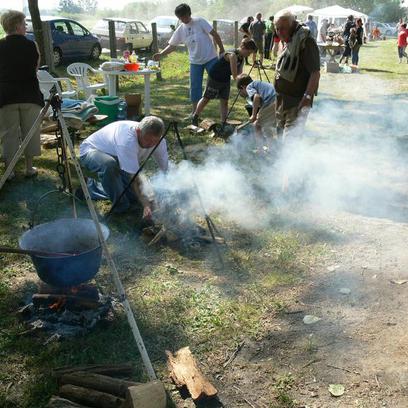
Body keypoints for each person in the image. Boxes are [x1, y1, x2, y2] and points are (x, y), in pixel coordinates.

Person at [79, 117, 168, 218]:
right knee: (109, 165)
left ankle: (99, 188)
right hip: (92, 150)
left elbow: (165, 169)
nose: (150, 144)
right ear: (138, 131)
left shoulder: (160, 141)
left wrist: (165, 193)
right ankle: (120, 207)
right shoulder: (127, 141)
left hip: (118, 155)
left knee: (134, 196)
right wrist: (146, 204)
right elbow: (135, 178)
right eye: (147, 140)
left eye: (154, 141)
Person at [153, 4, 224, 117]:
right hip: (195, 62)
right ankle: (195, 112)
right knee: (195, 86)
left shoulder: (200, 21)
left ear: (189, 14)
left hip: (210, 58)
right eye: (180, 18)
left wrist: (222, 49)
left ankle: (223, 111)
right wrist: (161, 54)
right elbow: (172, 46)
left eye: (184, 16)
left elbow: (214, 34)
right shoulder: (181, 29)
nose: (183, 19)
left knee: (219, 81)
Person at [0, 10, 44, 180]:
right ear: (17, 26)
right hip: (29, 94)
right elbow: (35, 68)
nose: (26, 27)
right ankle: (29, 168)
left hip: (6, 96)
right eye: (24, 24)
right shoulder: (32, 45)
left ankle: (10, 171)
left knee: (8, 133)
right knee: (30, 132)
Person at [274, 10, 320, 142]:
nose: (279, 32)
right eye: (277, 28)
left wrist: (307, 97)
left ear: (292, 24)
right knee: (280, 137)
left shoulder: (305, 41)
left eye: (283, 28)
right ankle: (280, 162)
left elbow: (315, 73)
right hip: (281, 100)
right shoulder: (289, 39)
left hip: (297, 101)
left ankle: (290, 163)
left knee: (290, 142)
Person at [192, 39, 257, 125]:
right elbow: (235, 76)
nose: (248, 55)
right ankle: (195, 116)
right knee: (207, 98)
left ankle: (223, 121)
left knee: (224, 101)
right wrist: (244, 87)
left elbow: (240, 74)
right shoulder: (232, 55)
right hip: (215, 77)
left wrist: (246, 83)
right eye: (248, 53)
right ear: (243, 48)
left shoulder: (242, 59)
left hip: (225, 79)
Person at [237, 74, 277, 147]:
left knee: (257, 125)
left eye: (240, 91)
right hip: (279, 99)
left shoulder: (249, 87)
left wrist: (254, 115)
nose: (242, 94)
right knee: (266, 125)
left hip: (271, 101)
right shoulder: (257, 84)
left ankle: (262, 151)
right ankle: (272, 148)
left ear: (243, 87)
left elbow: (256, 97)